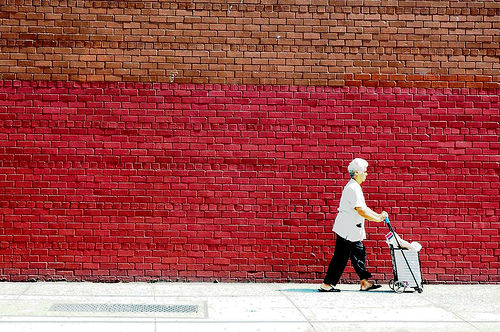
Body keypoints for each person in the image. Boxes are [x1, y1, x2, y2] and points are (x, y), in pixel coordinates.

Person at [319, 158, 388, 292]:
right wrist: (377, 218)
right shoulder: (353, 188)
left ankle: (364, 282)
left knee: (358, 254)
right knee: (341, 257)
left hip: (350, 229)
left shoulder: (355, 186)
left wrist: (378, 216)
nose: (366, 174)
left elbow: (364, 208)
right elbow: (361, 210)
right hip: (347, 230)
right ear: (357, 172)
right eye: (365, 172)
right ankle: (327, 284)